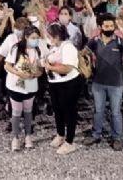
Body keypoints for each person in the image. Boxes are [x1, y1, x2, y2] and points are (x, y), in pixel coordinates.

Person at [83, 14, 123, 151]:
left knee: (115, 112)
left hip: (116, 84)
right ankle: (96, 134)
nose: (109, 28)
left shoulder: (120, 42)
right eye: (106, 26)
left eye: (111, 26)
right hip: (98, 82)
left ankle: (116, 138)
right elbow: (83, 53)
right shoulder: (94, 41)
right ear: (100, 27)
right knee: (98, 110)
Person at [4, 20, 43, 151]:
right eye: (33, 38)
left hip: (31, 86)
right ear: (26, 37)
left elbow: (40, 69)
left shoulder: (37, 50)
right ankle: (15, 137)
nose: (35, 40)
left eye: (37, 38)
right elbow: (7, 65)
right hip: (15, 85)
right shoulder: (16, 48)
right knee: (16, 112)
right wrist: (19, 73)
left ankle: (28, 136)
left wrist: (36, 74)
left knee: (28, 112)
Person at [43, 22, 82, 155]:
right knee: (57, 110)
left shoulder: (68, 47)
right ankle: (60, 134)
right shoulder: (54, 46)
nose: (48, 38)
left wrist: (49, 67)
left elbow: (68, 67)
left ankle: (70, 141)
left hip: (69, 83)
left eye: (50, 35)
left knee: (69, 112)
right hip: (55, 82)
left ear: (57, 35)